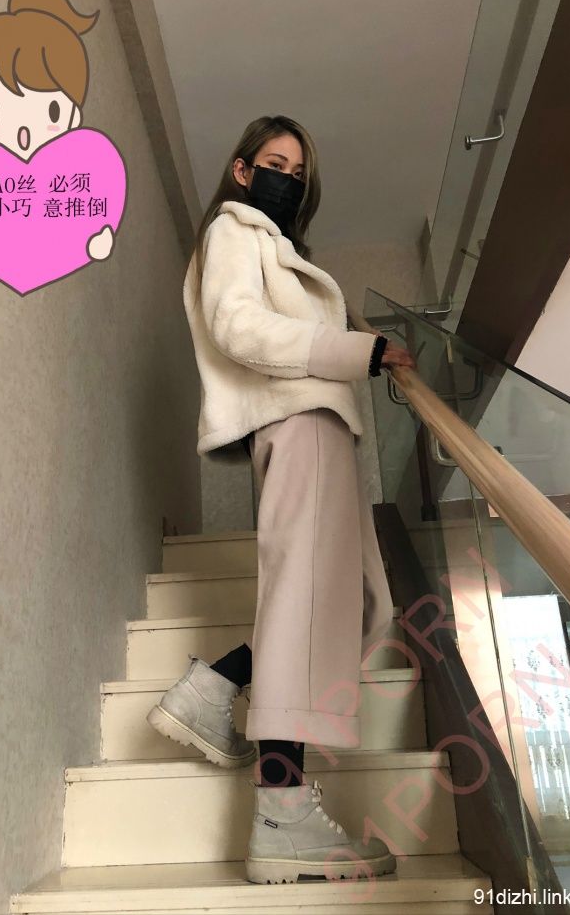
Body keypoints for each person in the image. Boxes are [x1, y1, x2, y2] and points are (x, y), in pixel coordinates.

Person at [147, 115, 417, 884]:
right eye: (275, 163)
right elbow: (240, 328)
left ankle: (218, 685)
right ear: (241, 170)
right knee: (310, 602)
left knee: (354, 604)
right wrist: (358, 349)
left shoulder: (279, 249)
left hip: (318, 427)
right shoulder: (234, 230)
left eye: (299, 173)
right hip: (300, 423)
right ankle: (281, 809)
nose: (288, 179)